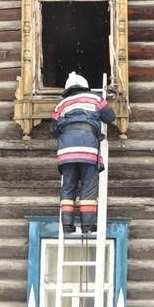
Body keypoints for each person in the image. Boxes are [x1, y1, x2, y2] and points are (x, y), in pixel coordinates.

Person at [50, 72, 116, 234]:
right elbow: (110, 117)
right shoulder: (96, 98)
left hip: (66, 152)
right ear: (85, 86)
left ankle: (67, 225)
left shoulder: (61, 104)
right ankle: (87, 225)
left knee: (68, 187)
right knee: (88, 186)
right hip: (88, 149)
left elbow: (53, 130)